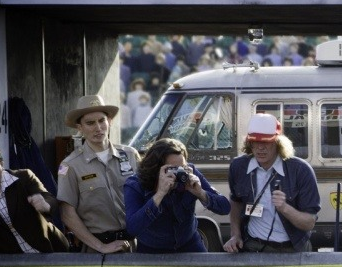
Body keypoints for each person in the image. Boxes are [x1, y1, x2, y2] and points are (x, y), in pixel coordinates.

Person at [223, 113, 320, 253]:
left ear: (278, 143)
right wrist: (235, 235)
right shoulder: (238, 167)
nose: (260, 148)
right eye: (255, 141)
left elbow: (309, 223)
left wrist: (285, 208)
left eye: (266, 142)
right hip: (253, 246)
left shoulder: (300, 170)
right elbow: (236, 201)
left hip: (292, 249)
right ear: (249, 143)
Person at [57, 94, 140, 254]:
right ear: (79, 128)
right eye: (90, 123)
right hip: (96, 250)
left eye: (102, 121)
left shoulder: (130, 155)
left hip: (134, 246)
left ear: (110, 121)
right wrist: (101, 247)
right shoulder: (70, 166)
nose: (98, 128)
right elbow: (67, 213)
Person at [124, 138, 229, 253]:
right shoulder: (135, 184)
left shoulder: (189, 173)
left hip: (189, 242)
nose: (178, 173)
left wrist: (201, 193)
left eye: (182, 167)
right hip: (152, 248)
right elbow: (132, 228)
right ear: (155, 169)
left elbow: (225, 207)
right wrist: (159, 194)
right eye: (172, 169)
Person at [0, 160, 70, 253]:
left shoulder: (23, 176)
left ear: (1, 163)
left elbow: (50, 198)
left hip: (49, 249)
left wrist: (45, 205)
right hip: (14, 258)